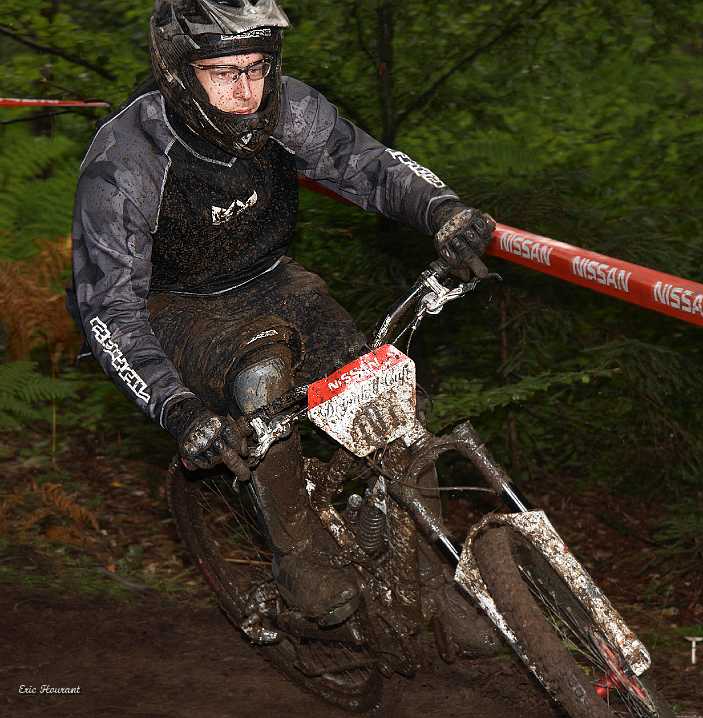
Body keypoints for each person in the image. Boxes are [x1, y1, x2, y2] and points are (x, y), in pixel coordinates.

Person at [69, 0, 496, 648]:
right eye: (224, 72)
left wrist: (443, 212)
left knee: (385, 396)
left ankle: (431, 578)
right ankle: (298, 559)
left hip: (272, 278)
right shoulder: (129, 154)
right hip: (172, 306)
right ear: (180, 72)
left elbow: (367, 164)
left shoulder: (285, 107)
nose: (246, 90)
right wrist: (177, 408)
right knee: (263, 373)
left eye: (257, 67)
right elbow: (107, 306)